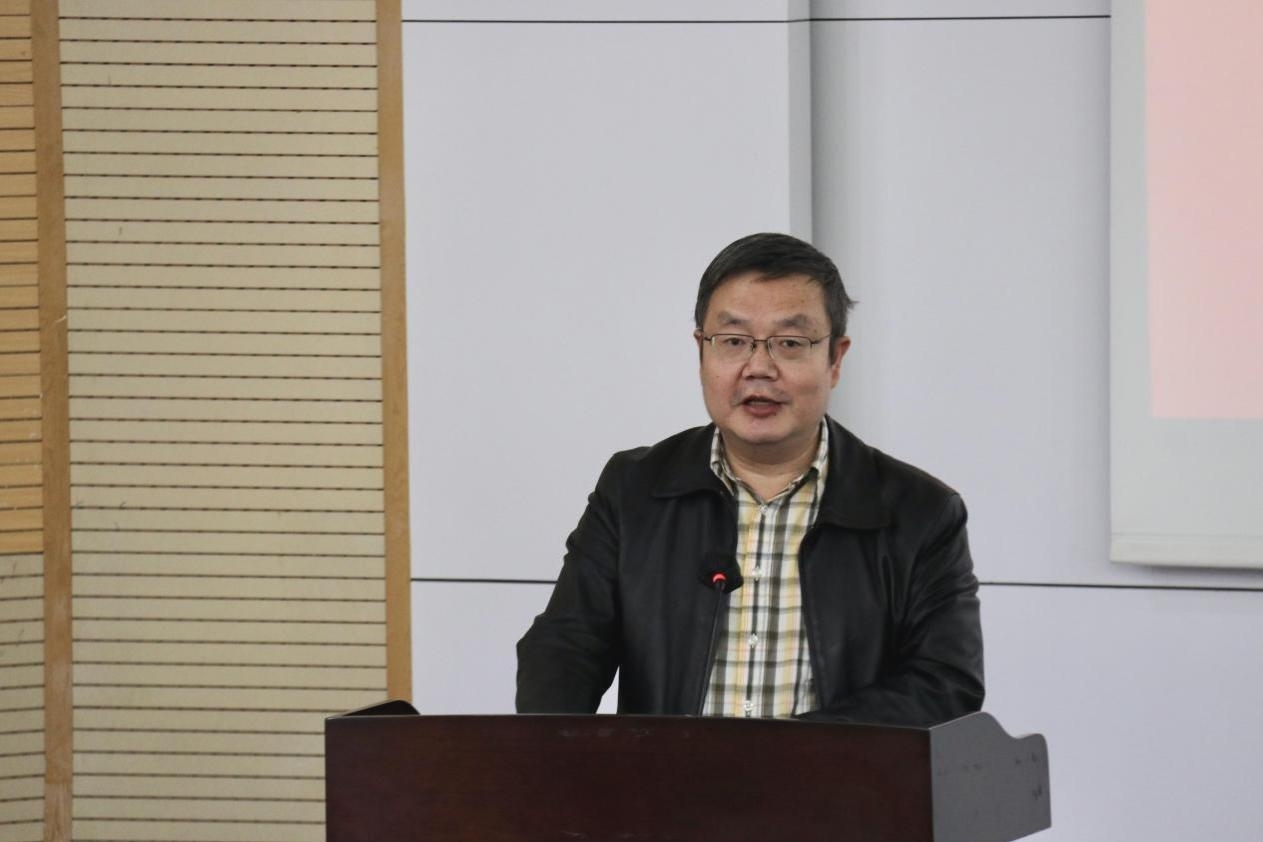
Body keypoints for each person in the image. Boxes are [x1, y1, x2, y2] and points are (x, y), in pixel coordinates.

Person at [516, 233, 983, 726]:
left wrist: (789, 754)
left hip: (834, 777)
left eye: (790, 343)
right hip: (666, 777)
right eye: (734, 341)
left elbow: (944, 684)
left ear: (835, 359)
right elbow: (566, 645)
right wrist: (558, 753)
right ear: (701, 351)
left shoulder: (920, 512)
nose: (759, 368)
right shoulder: (634, 490)